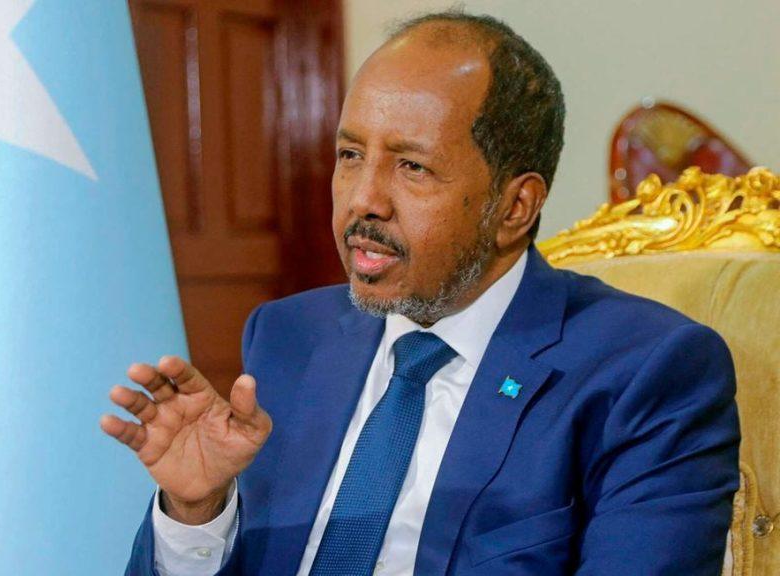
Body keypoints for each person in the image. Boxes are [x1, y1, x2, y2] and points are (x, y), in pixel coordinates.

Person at [100, 10, 740, 576]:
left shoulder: (646, 371)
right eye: (350, 155)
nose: (363, 200)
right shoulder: (288, 336)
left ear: (514, 207)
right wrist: (196, 511)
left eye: (412, 167)